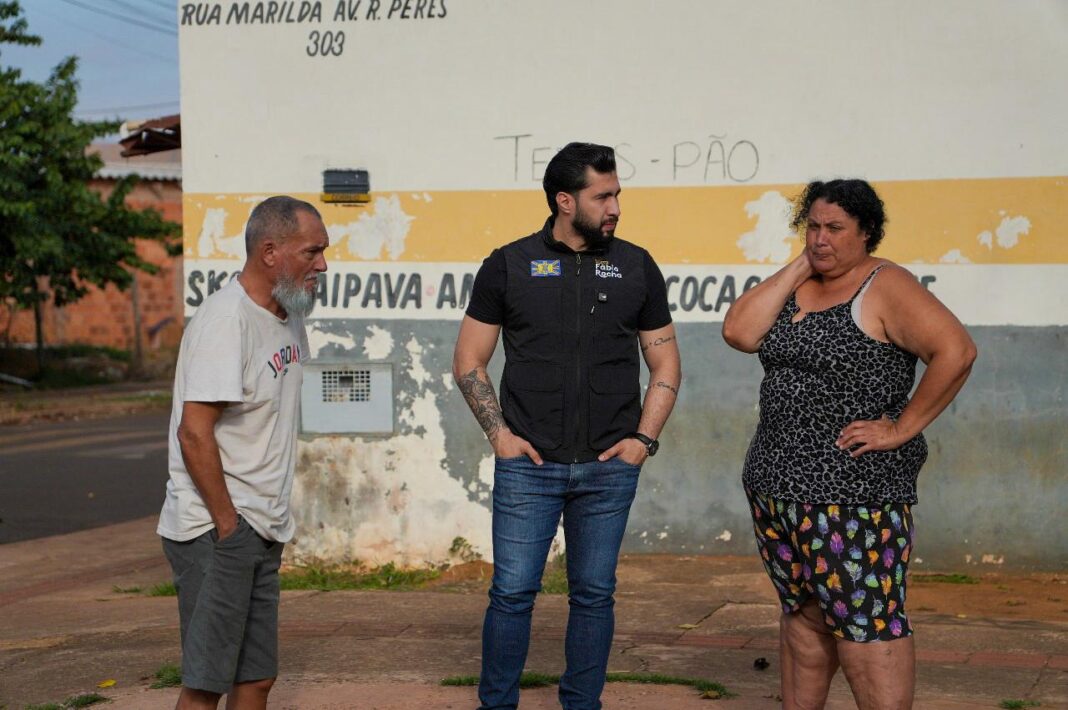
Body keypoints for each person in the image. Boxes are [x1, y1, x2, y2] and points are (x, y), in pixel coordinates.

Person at [722, 179, 977, 709]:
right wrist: (802, 263)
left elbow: (956, 351)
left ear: (866, 233)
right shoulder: (799, 283)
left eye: (835, 229)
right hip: (777, 488)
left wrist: (902, 427)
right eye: (812, 227)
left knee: (867, 624)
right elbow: (740, 333)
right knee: (805, 619)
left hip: (853, 494)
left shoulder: (886, 285)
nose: (821, 238)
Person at [453, 142, 682, 710]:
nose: (615, 207)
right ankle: (497, 704)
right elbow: (468, 360)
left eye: (617, 195)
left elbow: (666, 364)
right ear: (564, 200)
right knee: (511, 594)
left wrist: (643, 441)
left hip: (609, 469)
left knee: (595, 595)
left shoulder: (636, 266)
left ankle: (583, 704)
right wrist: (499, 437)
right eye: (603, 196)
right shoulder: (508, 264)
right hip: (528, 468)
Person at [157, 196, 328, 709]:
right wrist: (227, 524)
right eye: (311, 252)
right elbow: (194, 433)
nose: (322, 264)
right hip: (217, 529)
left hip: (261, 524)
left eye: (323, 251)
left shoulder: (286, 313)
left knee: (255, 679)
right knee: (207, 683)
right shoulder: (225, 322)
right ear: (270, 252)